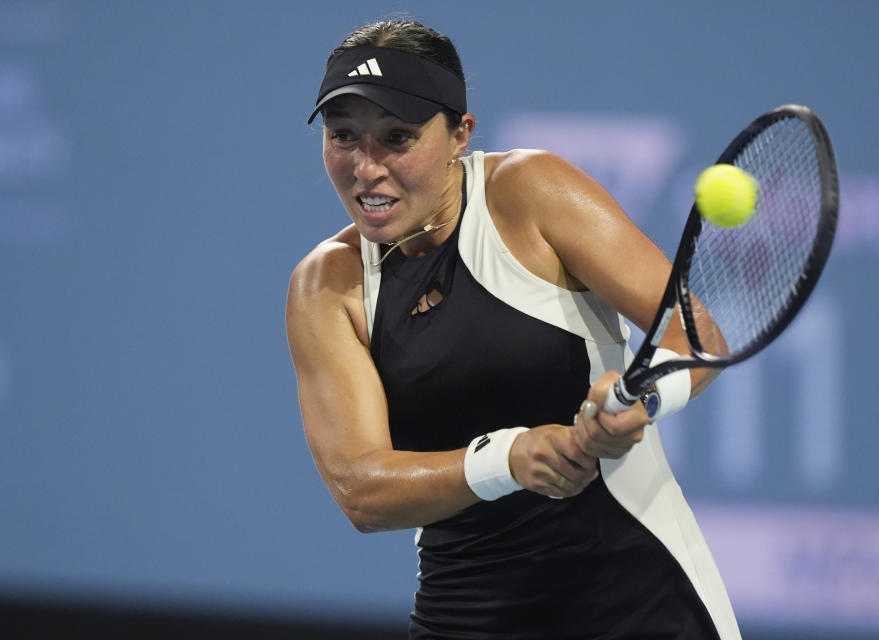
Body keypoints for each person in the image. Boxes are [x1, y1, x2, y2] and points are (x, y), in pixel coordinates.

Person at [286, 19, 741, 640]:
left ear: (459, 134)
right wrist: (508, 457)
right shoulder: (326, 285)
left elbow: (700, 339)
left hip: (641, 606)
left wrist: (646, 401)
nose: (365, 167)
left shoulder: (531, 193)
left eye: (396, 138)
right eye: (343, 137)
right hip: (466, 619)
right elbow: (362, 490)